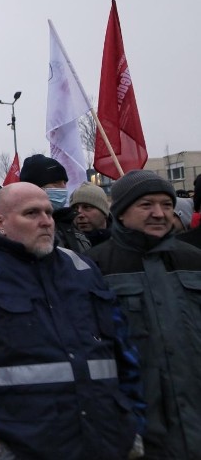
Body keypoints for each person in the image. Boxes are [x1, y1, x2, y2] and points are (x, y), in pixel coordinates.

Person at [0, 182, 145, 459]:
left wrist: (133, 426)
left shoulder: (81, 269)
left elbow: (126, 356)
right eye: (31, 214)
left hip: (103, 440)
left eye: (49, 212)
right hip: (23, 444)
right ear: (0, 222)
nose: (46, 221)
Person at [87, 170, 201, 459]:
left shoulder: (193, 258)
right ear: (121, 213)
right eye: (146, 205)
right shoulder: (95, 266)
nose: (159, 213)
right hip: (138, 424)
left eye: (166, 204)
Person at [19, 154, 90, 252]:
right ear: (35, 188)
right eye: (56, 183)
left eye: (64, 183)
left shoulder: (70, 225)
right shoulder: (18, 230)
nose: (63, 188)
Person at [69, 182, 112, 247]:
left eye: (87, 207)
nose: (79, 214)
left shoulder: (124, 241)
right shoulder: (66, 244)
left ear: (104, 212)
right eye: (75, 208)